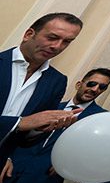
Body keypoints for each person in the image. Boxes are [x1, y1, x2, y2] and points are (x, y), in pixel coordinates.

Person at [1, 13, 83, 164]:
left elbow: (25, 141)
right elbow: (25, 123)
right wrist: (20, 123)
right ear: (28, 34)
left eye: (66, 42)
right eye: (52, 37)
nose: (57, 46)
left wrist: (42, 128)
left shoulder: (57, 81)